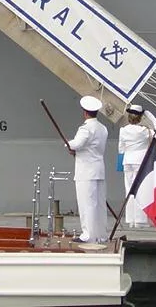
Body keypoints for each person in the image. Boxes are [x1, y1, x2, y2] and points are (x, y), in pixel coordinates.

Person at [67, 95, 108, 243]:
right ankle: (101, 235)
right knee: (99, 204)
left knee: (87, 204)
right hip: (99, 170)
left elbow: (77, 144)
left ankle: (88, 235)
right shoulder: (102, 128)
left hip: (86, 172)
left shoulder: (85, 128)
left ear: (85, 112)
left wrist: (67, 145)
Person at [118, 104, 156, 228]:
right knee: (141, 190)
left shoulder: (123, 130)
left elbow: (121, 148)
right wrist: (153, 119)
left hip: (127, 161)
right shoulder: (144, 131)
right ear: (140, 118)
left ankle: (131, 220)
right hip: (141, 162)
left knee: (129, 190)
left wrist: (120, 164)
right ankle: (140, 220)